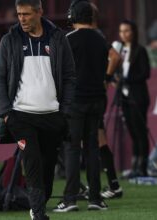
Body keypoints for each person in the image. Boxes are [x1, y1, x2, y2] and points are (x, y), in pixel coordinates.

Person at [0, 0, 76, 219]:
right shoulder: (9, 41)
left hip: (52, 116)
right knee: (32, 161)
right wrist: (6, 113)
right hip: (20, 116)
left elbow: (69, 77)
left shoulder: (57, 38)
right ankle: (39, 214)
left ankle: (40, 202)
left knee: (48, 165)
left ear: (39, 12)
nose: (22, 19)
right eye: (19, 14)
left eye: (27, 14)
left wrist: (64, 112)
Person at [53, 0, 108, 212]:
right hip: (97, 100)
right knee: (93, 148)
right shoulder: (101, 39)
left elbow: (58, 72)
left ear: (73, 16)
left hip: (75, 101)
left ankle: (70, 199)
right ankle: (95, 198)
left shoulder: (67, 39)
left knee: (72, 149)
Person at [90, 2, 123, 199]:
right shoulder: (96, 35)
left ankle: (109, 184)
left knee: (90, 139)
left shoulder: (95, 36)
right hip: (94, 93)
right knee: (95, 138)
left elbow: (115, 56)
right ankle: (112, 183)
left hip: (91, 94)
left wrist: (106, 78)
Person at [114, 20, 151, 178]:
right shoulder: (120, 51)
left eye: (127, 31)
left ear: (133, 32)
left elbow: (145, 73)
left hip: (138, 96)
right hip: (125, 97)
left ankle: (142, 166)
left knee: (140, 131)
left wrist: (127, 79)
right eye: (121, 31)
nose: (124, 34)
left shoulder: (140, 50)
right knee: (132, 132)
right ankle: (134, 165)